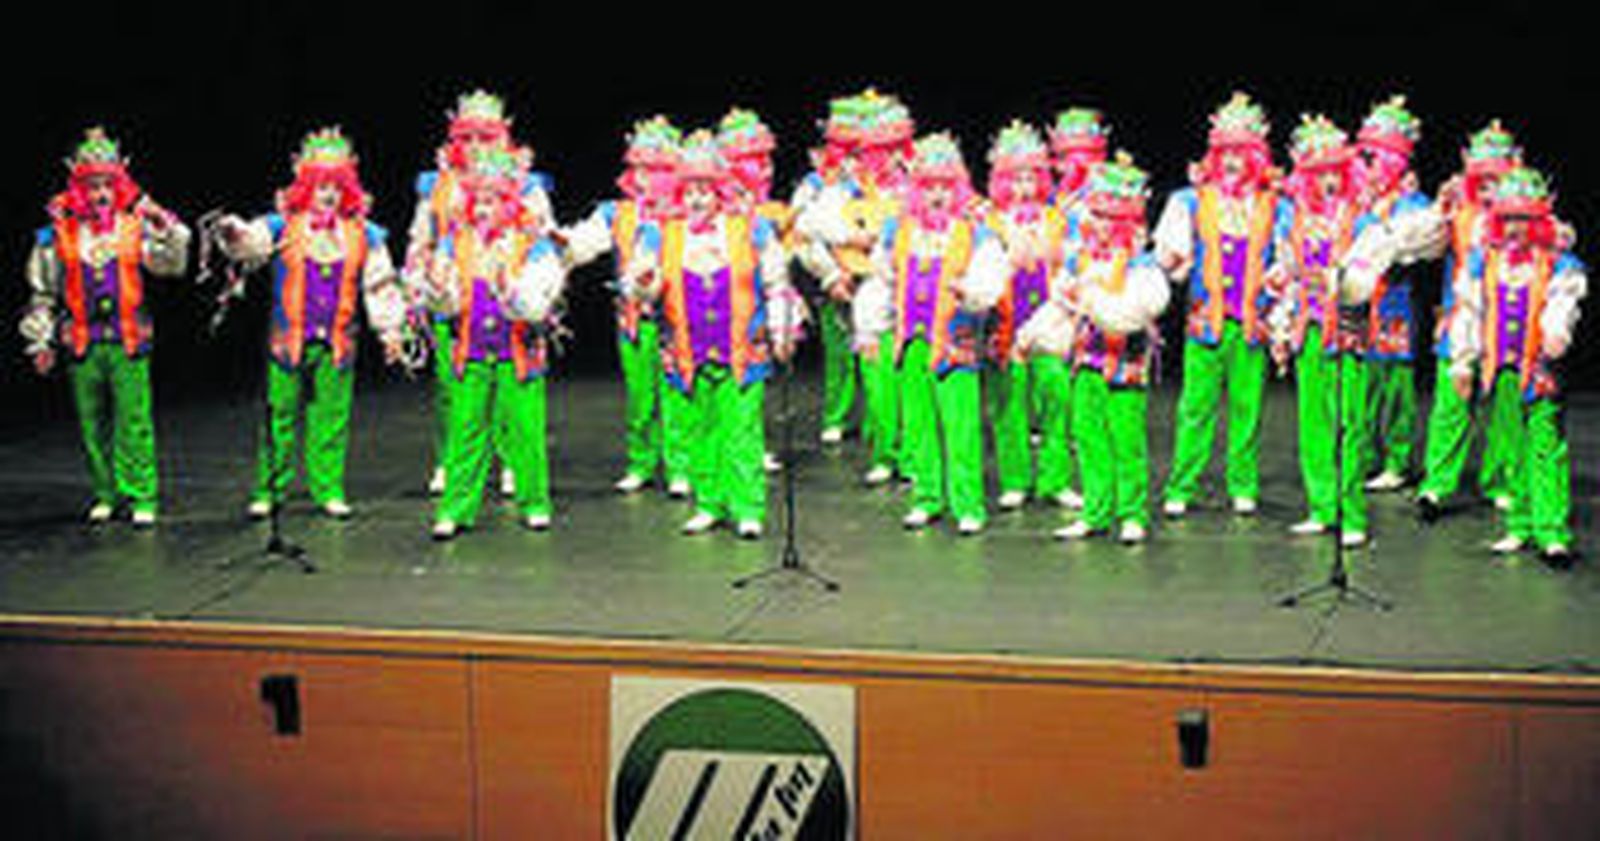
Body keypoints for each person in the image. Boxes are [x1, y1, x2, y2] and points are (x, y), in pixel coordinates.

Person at [212, 128, 408, 521]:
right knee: (279, 414)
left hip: (339, 340)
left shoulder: (364, 233)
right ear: (306, 188)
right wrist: (233, 231)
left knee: (331, 418)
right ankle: (269, 490)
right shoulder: (282, 226)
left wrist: (391, 331)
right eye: (321, 187)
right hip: (288, 340)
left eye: (336, 187)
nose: (329, 195)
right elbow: (249, 243)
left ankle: (329, 489)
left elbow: (380, 284)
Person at [624, 131, 800, 538]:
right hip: (686, 348)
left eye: (705, 190)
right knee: (699, 426)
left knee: (741, 429)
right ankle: (708, 502)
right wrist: (644, 283)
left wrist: (780, 328)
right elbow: (639, 286)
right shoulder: (660, 233)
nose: (698, 199)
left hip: (742, 346)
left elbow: (775, 282)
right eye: (690, 191)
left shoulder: (750, 230)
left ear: (719, 191)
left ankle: (748, 507)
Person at [21, 127, 191, 527]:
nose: (100, 194)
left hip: (128, 337)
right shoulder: (57, 234)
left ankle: (142, 494)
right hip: (81, 340)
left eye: (107, 185)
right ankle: (106, 492)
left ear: (120, 186)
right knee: (92, 422)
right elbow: (42, 291)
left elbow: (172, 264)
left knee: (134, 419)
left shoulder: (133, 227)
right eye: (92, 185)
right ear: (78, 188)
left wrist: (163, 223)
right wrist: (39, 341)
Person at [401, 90, 555, 499]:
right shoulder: (438, 184)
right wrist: (420, 279)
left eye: (483, 138)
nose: (474, 147)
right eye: (466, 138)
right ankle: (451, 461)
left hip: (507, 289)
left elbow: (544, 236)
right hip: (452, 286)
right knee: (452, 386)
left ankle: (510, 462)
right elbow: (422, 235)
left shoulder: (524, 184)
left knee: (511, 381)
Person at [855, 132, 1007, 534]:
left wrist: (970, 292)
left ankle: (968, 504)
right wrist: (872, 326)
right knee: (918, 424)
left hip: (956, 343)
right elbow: (882, 277)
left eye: (945, 187)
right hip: (912, 341)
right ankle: (927, 496)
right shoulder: (898, 230)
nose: (937, 195)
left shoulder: (974, 231)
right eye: (929, 187)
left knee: (960, 426)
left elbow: (993, 279)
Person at [1153, 92, 1291, 517]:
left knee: (1247, 408)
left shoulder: (1275, 204)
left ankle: (1242, 484)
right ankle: (1181, 486)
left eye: (1241, 153)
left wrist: (1280, 280)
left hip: (1251, 319)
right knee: (1196, 406)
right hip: (1205, 319)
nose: (1232, 162)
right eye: (1225, 153)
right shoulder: (1191, 200)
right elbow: (1168, 253)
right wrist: (1169, 262)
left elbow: (1288, 256)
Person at [1021, 152, 1169, 543]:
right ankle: (1096, 511)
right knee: (1087, 436)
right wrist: (1030, 332)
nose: (1102, 226)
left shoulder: (1142, 266)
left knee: (1126, 440)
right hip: (1087, 360)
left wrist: (1092, 297)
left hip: (1126, 363)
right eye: (1096, 216)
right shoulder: (1080, 259)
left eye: (1111, 219)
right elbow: (1060, 302)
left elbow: (1129, 316)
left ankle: (1132, 513)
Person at [426, 146, 567, 539]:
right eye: (479, 201)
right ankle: (454, 509)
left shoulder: (533, 245)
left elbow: (538, 305)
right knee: (466, 430)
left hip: (519, 353)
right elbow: (447, 301)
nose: (484, 209)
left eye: (492, 201)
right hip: (470, 351)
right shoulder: (456, 242)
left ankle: (534, 502)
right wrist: (437, 289)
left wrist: (511, 290)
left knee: (525, 430)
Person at [1446, 166, 1585, 561]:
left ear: (1539, 219)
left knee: (1545, 446)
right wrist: (1462, 362)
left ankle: (1551, 531)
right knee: (1512, 444)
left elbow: (1563, 300)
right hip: (1501, 366)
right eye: (1507, 218)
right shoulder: (1485, 260)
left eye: (1523, 219)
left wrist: (1557, 330)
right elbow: (1470, 310)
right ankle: (1520, 525)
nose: (1514, 228)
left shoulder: (1555, 261)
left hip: (1540, 368)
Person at [560, 115, 691, 496]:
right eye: (642, 169)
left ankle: (680, 466)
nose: (649, 178)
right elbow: (586, 241)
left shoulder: (685, 214)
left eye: (659, 170)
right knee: (639, 395)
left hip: (676, 318)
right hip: (634, 317)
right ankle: (641, 462)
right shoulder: (617, 213)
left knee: (677, 391)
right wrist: (562, 243)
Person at [793, 90, 913, 483]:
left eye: (893, 148)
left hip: (915, 293)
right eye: (876, 150)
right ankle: (886, 454)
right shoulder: (846, 187)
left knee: (911, 382)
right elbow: (808, 223)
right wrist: (851, 239)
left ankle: (914, 459)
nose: (886, 158)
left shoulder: (918, 184)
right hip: (870, 291)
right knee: (876, 378)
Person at [1272, 115, 1374, 546]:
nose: (1328, 180)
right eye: (1319, 173)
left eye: (1335, 172)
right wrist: (1279, 290)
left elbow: (1372, 266)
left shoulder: (1360, 215)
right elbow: (1287, 266)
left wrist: (1346, 278)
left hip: (1347, 327)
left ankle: (1352, 516)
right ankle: (1322, 506)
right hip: (1309, 324)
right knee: (1313, 419)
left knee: (1348, 422)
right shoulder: (1294, 216)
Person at [1415, 121, 1521, 520]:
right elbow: (1423, 245)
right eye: (1483, 176)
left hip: (1509, 319)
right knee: (1451, 403)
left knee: (1505, 404)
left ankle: (1502, 481)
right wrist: (1439, 207)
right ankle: (1436, 485)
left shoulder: (1524, 213)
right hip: (1461, 315)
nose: (1490, 184)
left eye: (1497, 175)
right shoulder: (1459, 209)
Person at [982, 120, 1078, 511]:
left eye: (1030, 178)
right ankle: (1015, 479)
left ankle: (1055, 480)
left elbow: (1071, 264)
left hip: (1050, 323)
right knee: (1008, 404)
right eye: (1015, 179)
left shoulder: (1057, 218)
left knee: (1057, 400)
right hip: (1005, 323)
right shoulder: (990, 221)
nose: (1024, 187)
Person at [1351, 95, 1440, 493]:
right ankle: (1363, 455)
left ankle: (1397, 460)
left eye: (1376, 158)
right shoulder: (1356, 200)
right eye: (1365, 156)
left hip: (1396, 303)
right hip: (1358, 304)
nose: (1368, 166)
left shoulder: (1411, 202)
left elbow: (1413, 246)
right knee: (1362, 384)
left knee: (1396, 386)